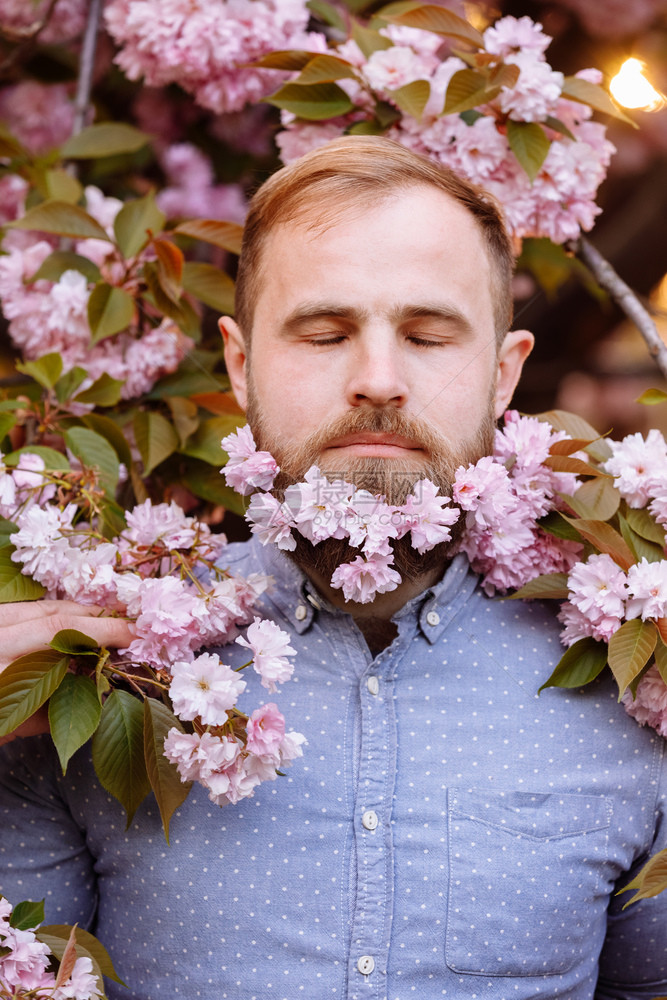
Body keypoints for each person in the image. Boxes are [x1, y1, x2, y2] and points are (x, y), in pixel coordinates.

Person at [1, 136, 667, 999]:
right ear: (240, 366)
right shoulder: (99, 672)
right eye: (323, 333)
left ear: (505, 376)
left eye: (428, 335)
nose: (378, 379)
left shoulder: (637, 675)